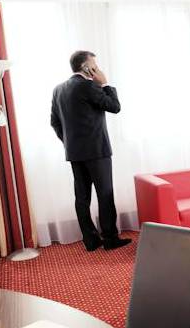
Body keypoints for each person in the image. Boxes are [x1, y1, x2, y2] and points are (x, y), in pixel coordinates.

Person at [50, 50, 131, 251]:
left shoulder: (58, 89)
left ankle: (91, 240)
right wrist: (104, 83)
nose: (97, 68)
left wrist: (69, 142)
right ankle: (110, 239)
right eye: (94, 64)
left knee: (82, 198)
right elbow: (115, 107)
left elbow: (54, 122)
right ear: (86, 67)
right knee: (105, 194)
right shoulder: (88, 86)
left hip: (74, 153)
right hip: (97, 151)